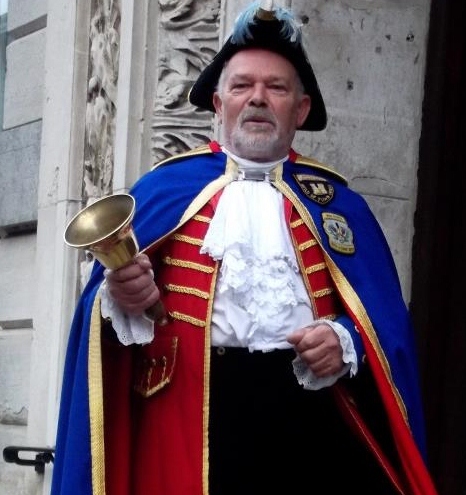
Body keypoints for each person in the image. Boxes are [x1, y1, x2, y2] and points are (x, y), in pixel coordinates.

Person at [51, 1, 439, 494]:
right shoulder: (161, 191)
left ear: (300, 109)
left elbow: (385, 328)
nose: (258, 99)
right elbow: (102, 328)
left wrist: (346, 342)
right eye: (242, 86)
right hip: (187, 417)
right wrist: (121, 302)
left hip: (310, 422)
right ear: (219, 104)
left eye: (276, 88)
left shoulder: (341, 206)